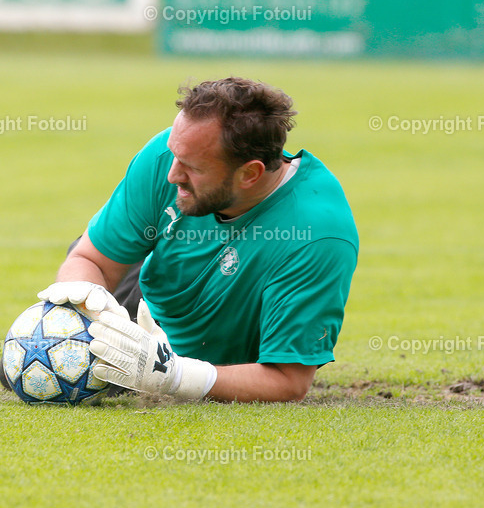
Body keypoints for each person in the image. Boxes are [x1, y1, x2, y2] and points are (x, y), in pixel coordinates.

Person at [37, 77, 358, 402]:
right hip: (148, 298)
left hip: (216, 366)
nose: (172, 174)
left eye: (191, 167)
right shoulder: (169, 153)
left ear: (250, 174)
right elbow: (90, 258)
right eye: (175, 154)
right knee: (48, 366)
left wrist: (175, 375)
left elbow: (289, 381)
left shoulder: (317, 235)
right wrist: (88, 309)